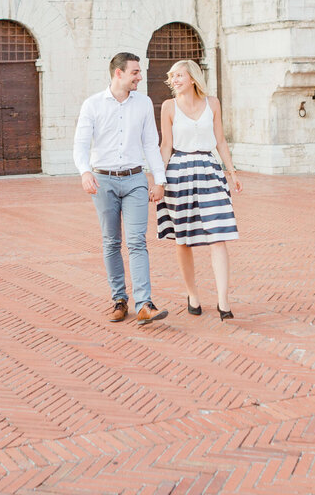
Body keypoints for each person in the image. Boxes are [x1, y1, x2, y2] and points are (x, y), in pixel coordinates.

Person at [73, 52, 169, 325]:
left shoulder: (144, 103)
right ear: (119, 73)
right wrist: (84, 172)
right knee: (111, 242)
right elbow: (81, 144)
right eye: (135, 72)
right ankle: (119, 299)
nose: (140, 76)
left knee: (137, 241)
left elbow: (151, 143)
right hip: (103, 181)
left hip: (135, 179)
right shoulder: (92, 105)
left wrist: (159, 180)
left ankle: (144, 304)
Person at [156, 59, 242, 320]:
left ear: (193, 78)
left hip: (209, 170)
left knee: (219, 234)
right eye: (173, 77)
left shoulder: (212, 103)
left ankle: (223, 301)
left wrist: (232, 171)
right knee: (183, 239)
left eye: (180, 75)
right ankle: (192, 294)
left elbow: (221, 140)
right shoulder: (168, 107)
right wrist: (159, 180)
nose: (175, 80)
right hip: (178, 173)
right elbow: (166, 146)